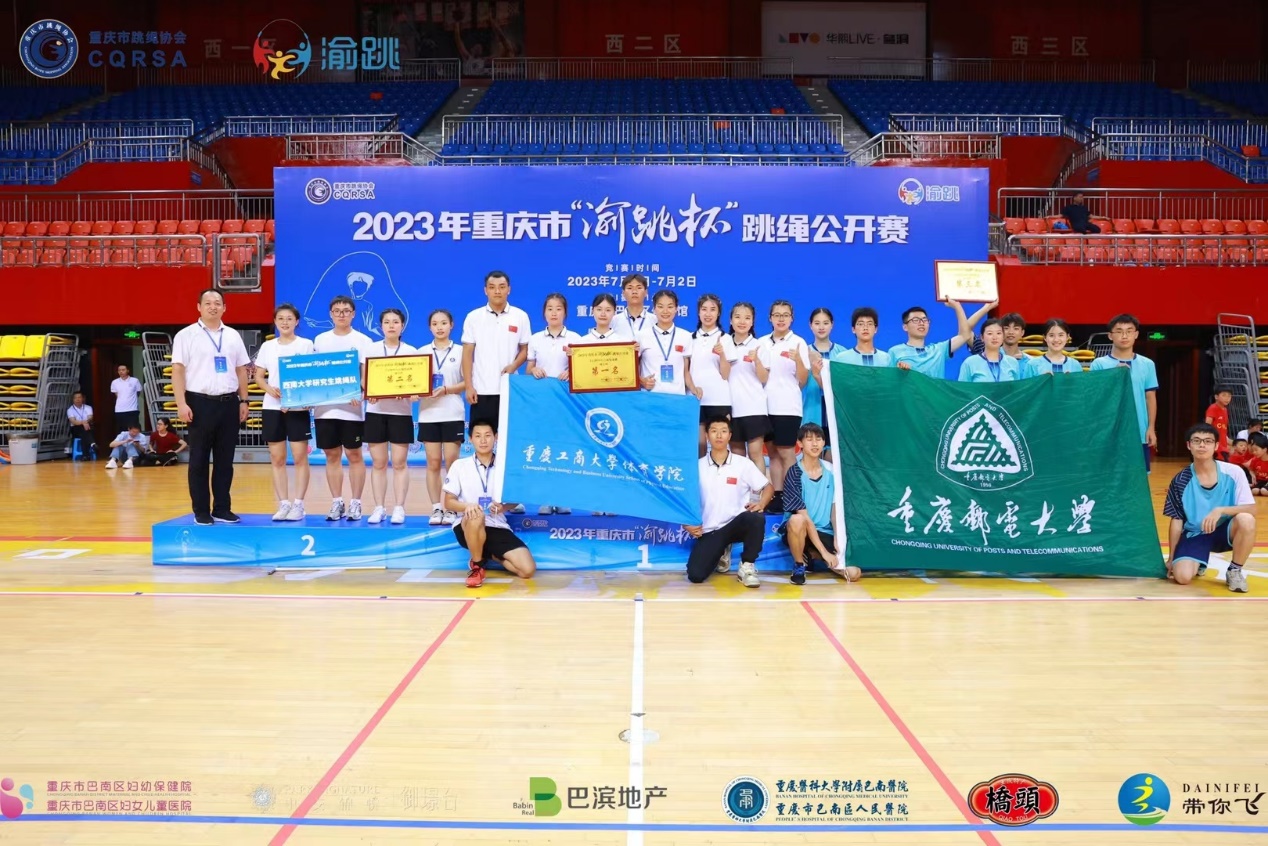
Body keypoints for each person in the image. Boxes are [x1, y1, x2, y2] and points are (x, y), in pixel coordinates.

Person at [171, 289, 251, 524]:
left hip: (229, 403)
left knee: (225, 460)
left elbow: (241, 370)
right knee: (199, 460)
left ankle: (222, 508)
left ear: (224, 308)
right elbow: (178, 370)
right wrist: (181, 403)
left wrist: (244, 400)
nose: (213, 307)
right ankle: (201, 511)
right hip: (199, 403)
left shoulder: (233, 335)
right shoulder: (186, 335)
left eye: (217, 303)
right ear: (199, 307)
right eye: (208, 303)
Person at [442, 419, 536, 588]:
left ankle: (489, 554)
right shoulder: (459, 465)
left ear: (496, 437)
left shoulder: (505, 467)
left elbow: (515, 500)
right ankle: (477, 566)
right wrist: (468, 506)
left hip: (496, 524)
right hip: (468, 524)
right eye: (478, 436)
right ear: (470, 439)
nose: (483, 440)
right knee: (476, 515)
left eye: (487, 435)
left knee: (527, 570)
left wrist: (503, 507)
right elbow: (448, 502)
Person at [1163, 423, 1255, 593]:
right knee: (1182, 577)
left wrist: (1220, 510)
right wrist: (1171, 557)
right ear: (1189, 445)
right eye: (1196, 441)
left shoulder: (1234, 472)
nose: (1202, 445)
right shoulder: (1180, 480)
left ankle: (1234, 570)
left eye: (1208, 441)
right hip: (1196, 533)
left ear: (1216, 446)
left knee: (1246, 519)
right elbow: (1176, 521)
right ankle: (1198, 562)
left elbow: (1251, 509)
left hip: (1225, 531)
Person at [683, 415, 773, 587]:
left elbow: (768, 487)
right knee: (695, 575)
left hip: (735, 523)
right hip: (710, 529)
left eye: (723, 431)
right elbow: (684, 498)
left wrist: (761, 503)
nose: (719, 435)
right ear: (707, 435)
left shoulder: (743, 463)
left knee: (755, 518)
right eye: (714, 431)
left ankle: (747, 566)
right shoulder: (697, 466)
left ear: (730, 436)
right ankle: (722, 549)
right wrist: (685, 523)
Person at [313, 295, 377, 521]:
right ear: (331, 314)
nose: (341, 314)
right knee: (331, 455)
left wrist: (360, 393)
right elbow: (314, 372)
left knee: (354, 454)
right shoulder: (320, 340)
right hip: (324, 409)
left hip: (352, 409)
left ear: (353, 314)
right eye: (337, 311)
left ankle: (356, 503)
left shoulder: (363, 341)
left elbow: (366, 374)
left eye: (346, 310)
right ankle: (337, 502)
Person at [253, 303, 315, 521]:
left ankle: (299, 504)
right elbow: (258, 376)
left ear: (296, 322)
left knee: (299, 457)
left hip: (297, 408)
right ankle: (283, 503)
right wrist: (270, 389)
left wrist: (305, 399)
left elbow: (311, 375)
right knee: (277, 458)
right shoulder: (268, 346)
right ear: (275, 322)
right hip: (272, 407)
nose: (285, 322)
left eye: (289, 318)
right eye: (280, 318)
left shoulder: (306, 344)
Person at [779, 423, 859, 585]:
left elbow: (835, 509)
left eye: (819, 439)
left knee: (853, 573)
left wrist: (837, 537)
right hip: (801, 529)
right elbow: (805, 517)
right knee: (797, 520)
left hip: (824, 531)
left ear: (824, 443)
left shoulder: (832, 471)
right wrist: (825, 552)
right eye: (809, 439)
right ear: (800, 443)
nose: (815, 444)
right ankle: (799, 565)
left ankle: (812, 554)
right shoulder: (794, 473)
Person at [526, 293, 580, 515]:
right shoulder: (535, 339)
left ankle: (563, 497)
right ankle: (546, 499)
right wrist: (534, 370)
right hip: (543, 404)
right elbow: (528, 369)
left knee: (564, 449)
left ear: (565, 312)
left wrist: (572, 371)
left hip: (567, 405)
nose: (554, 313)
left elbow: (583, 371)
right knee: (545, 450)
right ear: (544, 313)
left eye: (558, 308)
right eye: (550, 308)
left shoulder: (575, 338)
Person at [364, 308, 418, 525]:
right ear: (381, 326)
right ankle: (379, 508)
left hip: (400, 413)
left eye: (396, 322)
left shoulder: (411, 352)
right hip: (375, 412)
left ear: (402, 326)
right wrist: (369, 391)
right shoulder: (371, 349)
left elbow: (417, 384)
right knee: (378, 463)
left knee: (399, 463)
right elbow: (364, 379)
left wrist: (412, 392)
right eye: (387, 322)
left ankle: (399, 508)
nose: (391, 325)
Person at [462, 270, 531, 431]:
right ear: (485, 290)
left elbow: (525, 350)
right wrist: (469, 386)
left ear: (509, 289)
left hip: (510, 388)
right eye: (492, 287)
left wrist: (514, 366)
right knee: (482, 438)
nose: (497, 291)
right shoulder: (474, 317)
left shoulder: (520, 316)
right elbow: (467, 354)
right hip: (481, 390)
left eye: (502, 287)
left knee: (509, 435)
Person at [758, 300, 810, 514]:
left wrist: (798, 360)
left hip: (788, 406)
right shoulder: (761, 342)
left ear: (792, 318)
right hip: (764, 405)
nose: (781, 319)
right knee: (772, 452)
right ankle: (778, 495)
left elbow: (803, 379)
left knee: (787, 452)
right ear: (770, 318)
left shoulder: (798, 342)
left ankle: (793, 496)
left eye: (785, 315)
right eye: (777, 315)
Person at [1089, 314, 1158, 472]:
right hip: (1108, 431)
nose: (1124, 336)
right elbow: (1095, 398)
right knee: (1109, 475)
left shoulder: (1147, 364)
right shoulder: (1099, 364)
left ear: (1136, 334)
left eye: (1129, 331)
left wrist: (1151, 428)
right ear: (1110, 336)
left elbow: (1150, 398)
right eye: (1119, 331)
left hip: (1138, 430)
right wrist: (1113, 376)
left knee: (1138, 476)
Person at [418, 309, 467, 527]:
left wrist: (447, 389)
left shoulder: (461, 351)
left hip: (452, 413)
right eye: (435, 323)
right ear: (430, 327)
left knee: (452, 463)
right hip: (428, 414)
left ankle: (452, 507)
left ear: (451, 325)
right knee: (433, 462)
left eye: (444, 323)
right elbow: (413, 382)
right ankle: (436, 507)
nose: (440, 327)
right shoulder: (421, 352)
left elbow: (468, 382)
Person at [889, 299, 994, 379]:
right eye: (916, 320)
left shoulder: (938, 350)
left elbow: (964, 335)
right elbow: (888, 382)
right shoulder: (895, 352)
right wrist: (898, 372)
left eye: (925, 320)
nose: (921, 323)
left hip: (933, 401)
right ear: (905, 327)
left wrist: (957, 306)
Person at [723, 301, 770, 469]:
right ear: (730, 320)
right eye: (737, 317)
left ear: (752, 322)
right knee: (736, 456)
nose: (742, 322)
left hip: (754, 408)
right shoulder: (724, 344)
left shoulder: (759, 346)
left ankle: (760, 487)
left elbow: (764, 378)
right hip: (731, 408)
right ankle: (741, 487)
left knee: (755, 453)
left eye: (747, 318)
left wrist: (756, 360)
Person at [636, 290, 698, 396]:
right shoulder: (642, 335)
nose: (665, 311)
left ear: (676, 309)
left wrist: (695, 390)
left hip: (677, 396)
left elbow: (686, 372)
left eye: (670, 307)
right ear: (654, 309)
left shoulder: (685, 336)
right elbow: (633, 368)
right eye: (660, 306)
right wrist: (642, 381)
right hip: (650, 396)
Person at [803, 307, 846, 458]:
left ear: (832, 325)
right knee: (811, 455)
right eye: (817, 323)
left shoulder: (842, 353)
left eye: (825, 323)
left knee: (833, 457)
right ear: (810, 325)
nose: (821, 327)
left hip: (835, 411)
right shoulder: (804, 352)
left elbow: (843, 385)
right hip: (811, 408)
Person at [690, 293, 730, 456]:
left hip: (719, 399)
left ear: (718, 313)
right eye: (704, 309)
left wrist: (722, 354)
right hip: (695, 399)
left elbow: (726, 374)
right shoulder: (690, 338)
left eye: (712, 309)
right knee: (699, 445)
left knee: (719, 445)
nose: (708, 314)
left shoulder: (725, 339)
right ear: (698, 312)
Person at [611, 273, 652, 340]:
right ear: (623, 293)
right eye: (630, 288)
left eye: (639, 288)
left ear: (646, 292)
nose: (634, 291)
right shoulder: (613, 321)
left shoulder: (655, 321)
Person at [999, 312, 1034, 379]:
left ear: (1022, 332)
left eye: (1016, 328)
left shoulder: (1030, 362)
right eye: (1006, 328)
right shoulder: (991, 358)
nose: (1011, 332)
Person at [110, 364, 143, 432]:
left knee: (133, 429)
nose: (121, 372)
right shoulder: (115, 382)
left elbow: (138, 392)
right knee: (121, 430)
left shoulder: (134, 380)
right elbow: (116, 395)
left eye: (123, 370)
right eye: (119, 370)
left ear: (128, 370)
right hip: (119, 410)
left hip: (132, 409)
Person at [1205, 387, 1233, 461]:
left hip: (1223, 445)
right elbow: (1207, 427)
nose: (1227, 398)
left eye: (1229, 396)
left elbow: (1223, 430)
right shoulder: (1213, 408)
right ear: (1216, 397)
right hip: (1216, 446)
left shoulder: (1225, 410)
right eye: (1224, 395)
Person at [66, 391, 94, 460]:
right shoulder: (70, 410)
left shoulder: (88, 407)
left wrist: (85, 422)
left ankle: (85, 456)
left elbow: (90, 418)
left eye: (79, 397)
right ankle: (92, 443)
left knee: (85, 432)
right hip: (75, 428)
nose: (78, 399)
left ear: (83, 399)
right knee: (84, 431)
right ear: (73, 399)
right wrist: (83, 423)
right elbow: (74, 421)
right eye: (75, 398)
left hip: (87, 427)